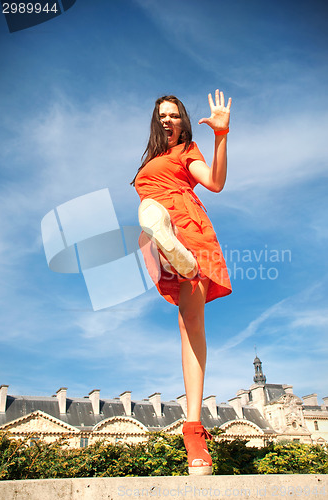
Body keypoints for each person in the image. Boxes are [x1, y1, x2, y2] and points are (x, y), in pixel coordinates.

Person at [131, 90, 232, 475]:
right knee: (148, 220)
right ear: (155, 122)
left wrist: (220, 136)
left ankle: (193, 428)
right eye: (162, 115)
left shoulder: (188, 150)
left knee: (191, 326)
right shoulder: (149, 162)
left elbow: (216, 183)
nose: (167, 120)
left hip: (188, 228)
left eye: (174, 115)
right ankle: (170, 246)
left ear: (183, 121)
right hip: (157, 231)